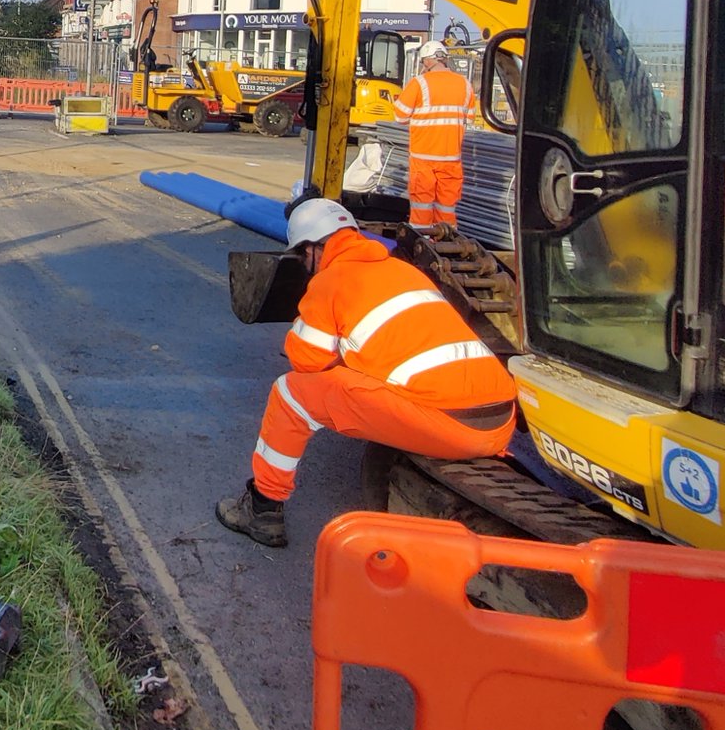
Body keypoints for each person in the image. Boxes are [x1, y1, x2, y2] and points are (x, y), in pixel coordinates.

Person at [215, 198, 517, 547]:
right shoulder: (404, 271)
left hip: (452, 427)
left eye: (301, 256)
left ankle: (263, 508)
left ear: (315, 249)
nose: (304, 265)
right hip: (500, 423)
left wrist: (307, 320)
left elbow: (306, 361)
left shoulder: (332, 281)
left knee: (291, 394)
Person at [392, 39, 475, 230]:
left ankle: (421, 239)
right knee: (446, 206)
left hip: (424, 157)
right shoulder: (465, 84)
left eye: (423, 62)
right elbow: (469, 119)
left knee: (422, 203)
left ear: (427, 61)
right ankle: (447, 240)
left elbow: (399, 116)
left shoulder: (419, 83)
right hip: (451, 158)